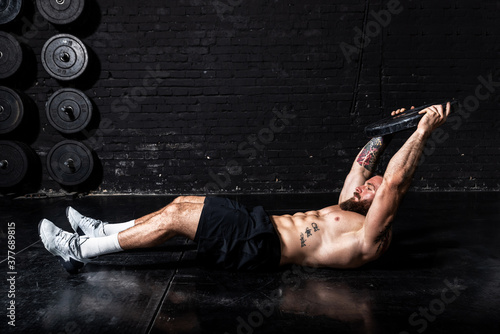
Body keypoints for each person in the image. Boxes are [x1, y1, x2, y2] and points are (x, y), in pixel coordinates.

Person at [39, 102, 451, 273]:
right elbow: (364, 165)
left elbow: (395, 180)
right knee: (181, 204)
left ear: (385, 204)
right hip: (259, 224)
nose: (362, 189)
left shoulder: (370, 235)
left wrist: (424, 129)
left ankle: (79, 252)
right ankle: (102, 231)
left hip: (262, 246)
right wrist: (392, 130)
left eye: (370, 192)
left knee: (178, 218)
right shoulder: (351, 205)